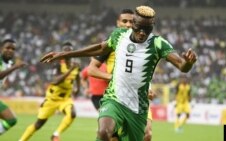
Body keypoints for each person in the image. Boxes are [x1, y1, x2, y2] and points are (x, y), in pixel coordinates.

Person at [40, 5, 197, 141]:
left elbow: (181, 66)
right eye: (139, 28)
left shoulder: (158, 43)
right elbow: (100, 48)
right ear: (133, 24)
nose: (142, 33)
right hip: (114, 99)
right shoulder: (119, 35)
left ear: (153, 26)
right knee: (104, 132)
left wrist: (188, 63)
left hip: (138, 107)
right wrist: (63, 54)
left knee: (145, 136)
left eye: (147, 29)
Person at [87, 8, 153, 141]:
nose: (128, 24)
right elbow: (91, 69)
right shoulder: (114, 42)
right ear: (118, 23)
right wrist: (113, 77)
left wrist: (149, 88)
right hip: (117, 97)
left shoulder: (146, 43)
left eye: (131, 21)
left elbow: (146, 71)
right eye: (124, 21)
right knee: (110, 135)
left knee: (147, 134)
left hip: (139, 98)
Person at [19, 42, 80, 141]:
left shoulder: (76, 65)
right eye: (65, 51)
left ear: (72, 52)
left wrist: (78, 89)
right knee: (39, 124)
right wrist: (70, 70)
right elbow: (55, 81)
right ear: (62, 52)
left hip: (65, 99)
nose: (68, 53)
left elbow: (77, 76)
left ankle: (55, 134)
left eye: (70, 51)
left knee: (72, 114)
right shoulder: (58, 64)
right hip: (52, 99)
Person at [0, 39, 26, 135]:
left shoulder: (9, 63)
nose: (10, 50)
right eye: (7, 48)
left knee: (11, 120)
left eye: (13, 49)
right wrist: (15, 67)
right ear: (1, 48)